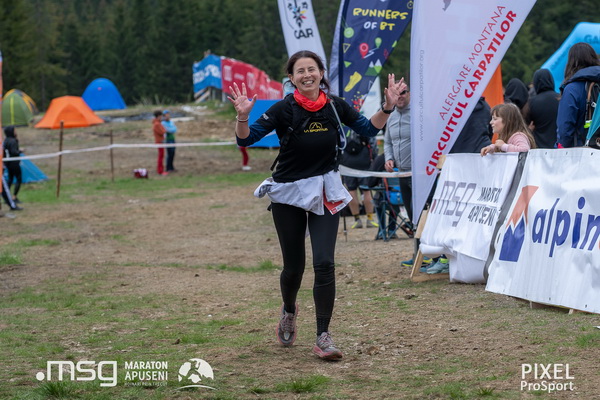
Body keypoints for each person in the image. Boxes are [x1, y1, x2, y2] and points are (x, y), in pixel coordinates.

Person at [229, 50, 406, 361]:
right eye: (300, 71)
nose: (307, 75)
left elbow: (369, 128)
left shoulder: (335, 106)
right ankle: (288, 310)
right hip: (288, 193)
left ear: (321, 73)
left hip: (325, 190)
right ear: (292, 78)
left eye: (312, 69)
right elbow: (246, 139)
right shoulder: (284, 108)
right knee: (294, 267)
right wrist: (243, 117)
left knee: (324, 263)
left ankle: (323, 336)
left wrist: (387, 106)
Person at [556, 42, 600, 148]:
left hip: (582, 151)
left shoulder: (572, 89)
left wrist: (561, 148)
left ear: (572, 62)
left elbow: (565, 130)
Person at [340, 133, 378, 229]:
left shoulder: (343, 127)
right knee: (366, 191)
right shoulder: (363, 126)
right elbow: (373, 143)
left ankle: (357, 220)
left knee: (351, 190)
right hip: (364, 160)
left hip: (347, 162)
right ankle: (370, 219)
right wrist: (374, 157)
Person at [524, 69, 560, 149]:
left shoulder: (531, 102)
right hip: (559, 146)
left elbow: (526, 124)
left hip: (539, 147)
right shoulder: (560, 98)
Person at [2, 126, 23, 211]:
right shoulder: (13, 141)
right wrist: (20, 151)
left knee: (10, 179)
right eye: (14, 130)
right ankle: (14, 197)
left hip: (8, 163)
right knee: (18, 178)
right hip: (14, 163)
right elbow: (14, 152)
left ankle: (9, 198)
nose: (15, 132)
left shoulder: (5, 140)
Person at [152, 110, 167, 176]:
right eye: (161, 116)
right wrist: (164, 130)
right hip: (159, 142)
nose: (162, 117)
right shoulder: (157, 124)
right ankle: (160, 171)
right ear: (158, 116)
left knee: (161, 156)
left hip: (161, 141)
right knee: (160, 157)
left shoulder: (158, 123)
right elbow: (162, 132)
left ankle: (161, 170)